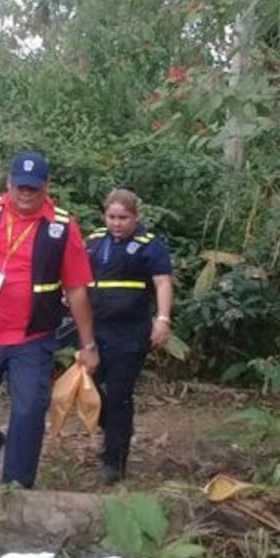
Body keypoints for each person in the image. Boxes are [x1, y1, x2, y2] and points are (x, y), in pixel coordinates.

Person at [0, 151, 100, 489]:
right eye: (20, 186)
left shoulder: (61, 228)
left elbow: (77, 290)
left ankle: (15, 489)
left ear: (46, 186)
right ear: (8, 183)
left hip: (32, 336)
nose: (26, 194)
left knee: (29, 411)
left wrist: (87, 344)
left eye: (33, 188)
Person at [86, 188, 174, 484]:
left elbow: (162, 283)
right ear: (104, 216)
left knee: (120, 394)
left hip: (131, 332)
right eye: (112, 216)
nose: (117, 223)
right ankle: (117, 430)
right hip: (96, 329)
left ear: (135, 217)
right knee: (89, 386)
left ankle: (115, 459)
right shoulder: (95, 242)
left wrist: (162, 319)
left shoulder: (150, 246)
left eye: (123, 217)